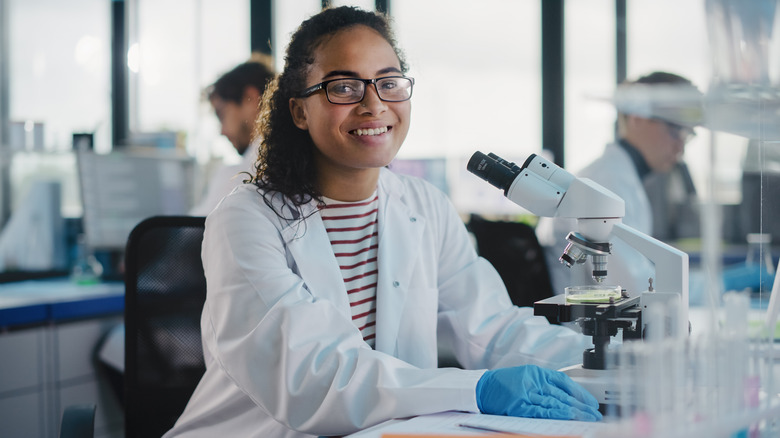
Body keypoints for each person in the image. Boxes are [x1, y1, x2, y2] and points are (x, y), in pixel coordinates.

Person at [164, 7, 600, 437]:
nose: (374, 104)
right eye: (344, 86)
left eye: (389, 83)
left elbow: (493, 328)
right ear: (299, 111)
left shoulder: (425, 206)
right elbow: (315, 378)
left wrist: (607, 362)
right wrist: (478, 388)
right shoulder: (246, 218)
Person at [537, 71, 702, 296]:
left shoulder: (619, 177)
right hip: (585, 325)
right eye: (675, 130)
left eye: (688, 133)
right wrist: (716, 286)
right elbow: (633, 286)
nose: (680, 147)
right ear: (636, 117)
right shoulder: (607, 182)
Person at [190, 56, 275, 215]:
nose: (222, 131)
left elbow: (187, 235)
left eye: (222, 115)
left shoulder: (239, 178)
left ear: (251, 98)